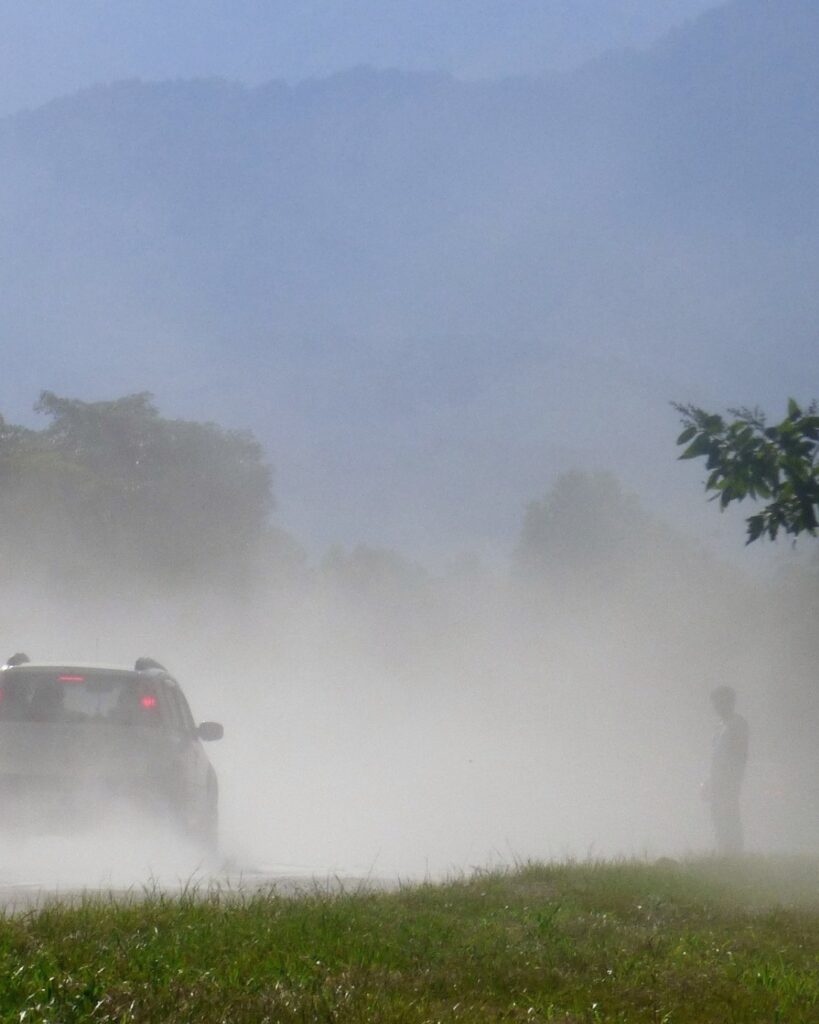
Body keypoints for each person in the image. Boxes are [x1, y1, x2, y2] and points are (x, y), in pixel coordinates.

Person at [704, 685, 749, 855]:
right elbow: (715, 756)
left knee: (729, 816)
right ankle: (723, 851)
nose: (716, 707)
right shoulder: (720, 726)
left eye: (719, 703)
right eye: (714, 703)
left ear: (730, 703)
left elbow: (739, 755)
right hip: (716, 779)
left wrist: (733, 779)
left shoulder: (737, 724)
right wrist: (709, 780)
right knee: (717, 816)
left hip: (729, 780)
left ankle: (734, 853)